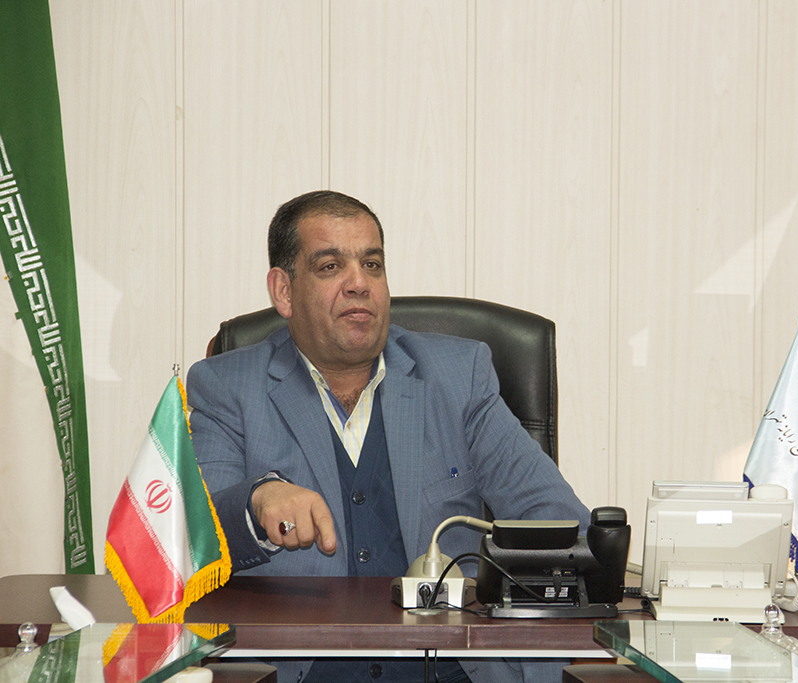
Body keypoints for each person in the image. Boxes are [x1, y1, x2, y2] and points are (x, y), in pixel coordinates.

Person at [187, 190, 591, 683]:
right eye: (331, 266)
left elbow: (563, 525)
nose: (359, 283)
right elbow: (192, 539)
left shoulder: (458, 377)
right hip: (300, 670)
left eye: (372, 264)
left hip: (452, 668)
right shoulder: (227, 386)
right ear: (284, 291)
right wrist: (257, 501)